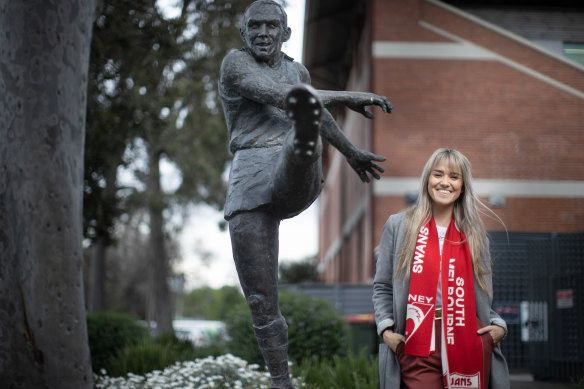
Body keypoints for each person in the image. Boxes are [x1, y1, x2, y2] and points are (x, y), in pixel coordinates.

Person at [218, 1, 393, 388]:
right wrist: (347, 96)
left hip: (289, 168)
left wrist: (351, 152)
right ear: (244, 33)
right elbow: (275, 94)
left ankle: (303, 140)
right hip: (248, 177)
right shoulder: (235, 63)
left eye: (271, 26)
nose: (263, 33)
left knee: (302, 132)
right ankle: (282, 381)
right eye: (256, 26)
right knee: (262, 301)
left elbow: (314, 109)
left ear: (286, 33)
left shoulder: (296, 70)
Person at [373, 148, 510, 389]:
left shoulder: (475, 235)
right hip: (417, 340)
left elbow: (483, 298)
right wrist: (386, 330)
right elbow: (383, 285)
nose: (445, 182)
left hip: (466, 338)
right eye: (438, 174)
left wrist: (498, 328)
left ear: (463, 185)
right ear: (427, 179)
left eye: (454, 176)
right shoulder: (398, 226)